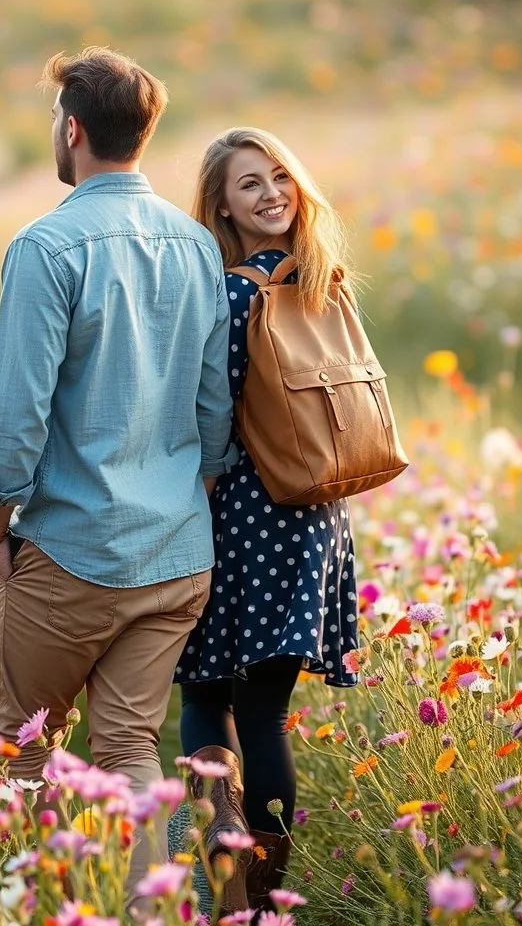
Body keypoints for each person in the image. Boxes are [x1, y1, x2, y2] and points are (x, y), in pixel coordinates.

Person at [0, 47, 236, 899]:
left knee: (19, 741)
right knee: (127, 751)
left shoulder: (47, 248)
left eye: (55, 118)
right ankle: (145, 911)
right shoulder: (195, 245)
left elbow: (16, 423)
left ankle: (31, 903)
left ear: (73, 128)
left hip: (73, 553)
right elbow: (212, 410)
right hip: (174, 553)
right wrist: (182, 498)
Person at [174, 127, 360, 913]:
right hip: (314, 508)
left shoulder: (227, 291)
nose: (271, 193)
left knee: (206, 695)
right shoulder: (327, 281)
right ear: (222, 202)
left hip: (236, 510)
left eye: (279, 176)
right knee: (268, 709)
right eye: (250, 184)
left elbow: (206, 407)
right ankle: (263, 893)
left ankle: (226, 851)